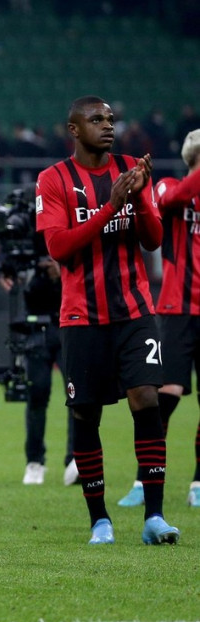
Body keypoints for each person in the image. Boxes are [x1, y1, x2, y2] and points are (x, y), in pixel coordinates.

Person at [35, 95, 178, 545]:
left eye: (111, 118)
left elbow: (153, 241)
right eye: (96, 119)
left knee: (147, 398)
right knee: (85, 412)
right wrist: (110, 207)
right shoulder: (53, 180)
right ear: (74, 129)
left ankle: (154, 516)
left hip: (134, 311)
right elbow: (58, 248)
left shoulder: (131, 167)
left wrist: (136, 202)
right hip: (81, 316)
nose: (108, 125)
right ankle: (100, 520)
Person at [117, 128, 200, 508]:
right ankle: (142, 480)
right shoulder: (169, 187)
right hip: (176, 308)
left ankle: (198, 483)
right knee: (166, 394)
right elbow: (181, 195)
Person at [0, 247, 77, 487]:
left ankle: (76, 459)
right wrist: (11, 277)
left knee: (76, 395)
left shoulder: (68, 233)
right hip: (36, 329)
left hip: (68, 325)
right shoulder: (27, 243)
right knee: (38, 393)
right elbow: (7, 266)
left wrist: (61, 272)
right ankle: (34, 461)